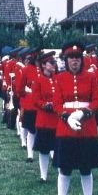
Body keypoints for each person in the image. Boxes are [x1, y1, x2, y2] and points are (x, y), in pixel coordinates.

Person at [53, 43, 98, 195]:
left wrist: (84, 113)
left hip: (86, 127)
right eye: (71, 58)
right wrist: (67, 118)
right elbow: (57, 103)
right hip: (65, 128)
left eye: (77, 58)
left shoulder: (90, 78)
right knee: (64, 167)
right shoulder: (59, 78)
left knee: (85, 167)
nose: (74, 61)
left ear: (82, 60)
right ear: (66, 61)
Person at [32, 50, 58, 183]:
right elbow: (35, 100)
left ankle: (61, 171)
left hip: (57, 119)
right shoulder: (38, 81)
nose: (54, 64)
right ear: (43, 65)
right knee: (44, 149)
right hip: (44, 120)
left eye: (54, 62)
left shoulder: (57, 79)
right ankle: (43, 175)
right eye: (51, 62)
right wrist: (45, 105)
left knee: (58, 147)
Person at [16, 47, 41, 163]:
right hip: (31, 104)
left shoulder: (45, 69)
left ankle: (49, 153)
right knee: (31, 130)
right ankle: (30, 154)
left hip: (43, 105)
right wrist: (28, 93)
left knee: (45, 130)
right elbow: (19, 89)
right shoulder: (26, 70)